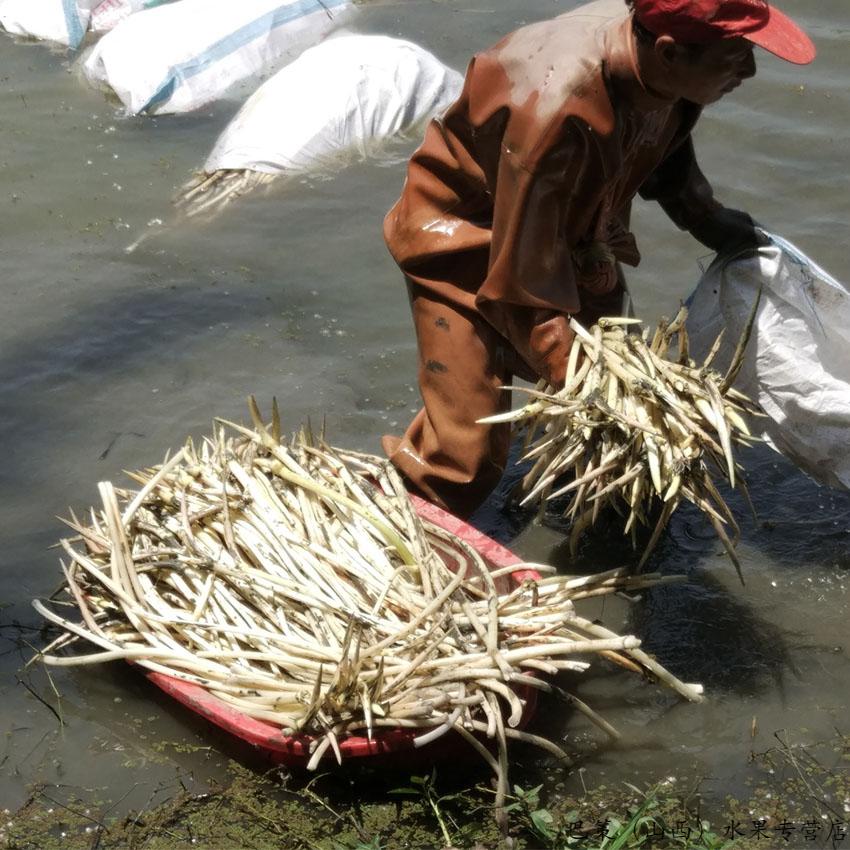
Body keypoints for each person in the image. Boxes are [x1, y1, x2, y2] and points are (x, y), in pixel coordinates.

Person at [381, 0, 815, 518]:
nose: (749, 70)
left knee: (609, 443)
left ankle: (585, 513)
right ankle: (405, 534)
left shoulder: (660, 58)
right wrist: (590, 385)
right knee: (466, 454)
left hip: (573, 232)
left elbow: (664, 143)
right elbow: (525, 286)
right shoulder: (558, 109)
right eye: (736, 54)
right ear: (670, 52)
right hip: (467, 236)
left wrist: (703, 216)